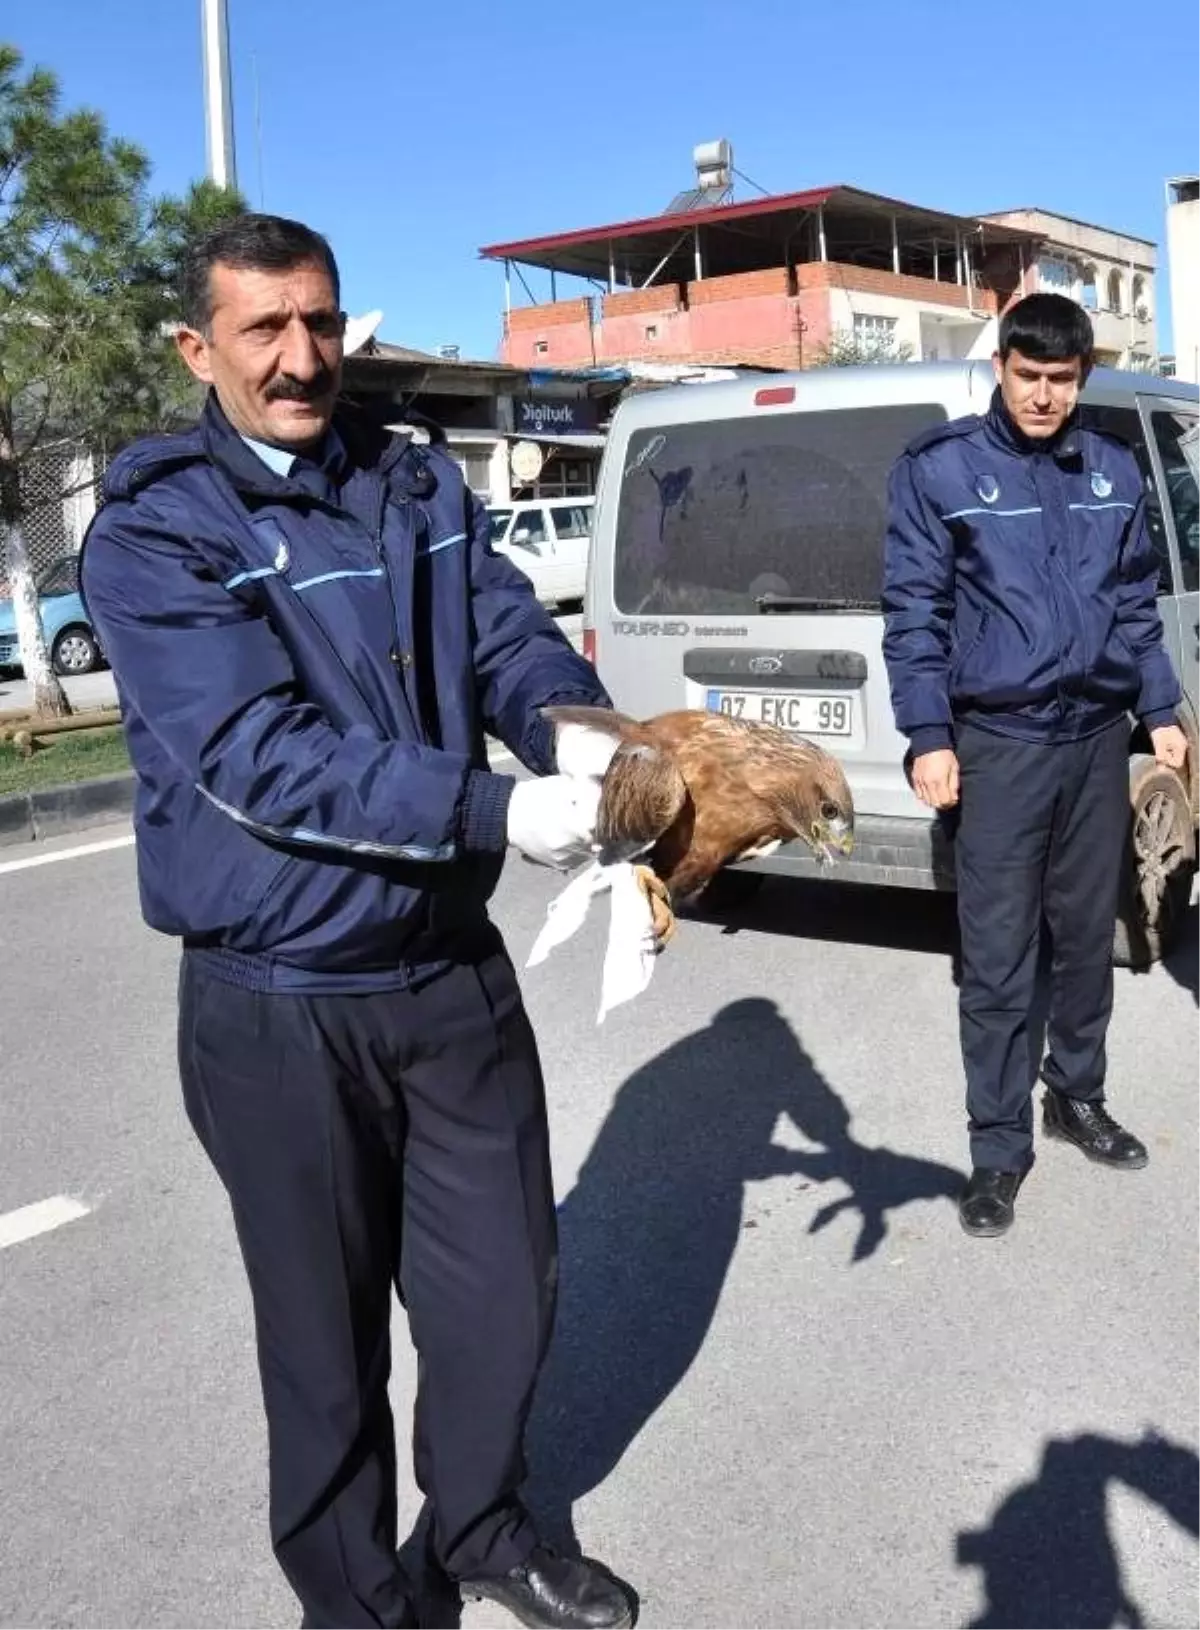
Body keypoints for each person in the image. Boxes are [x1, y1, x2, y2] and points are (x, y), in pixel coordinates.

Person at [81, 213, 634, 1630]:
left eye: (320, 323)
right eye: (263, 329)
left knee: (503, 1297)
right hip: (281, 1002)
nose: (300, 357)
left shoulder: (409, 478)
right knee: (325, 1357)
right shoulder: (155, 530)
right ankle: (360, 1605)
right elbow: (257, 753)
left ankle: (485, 1528)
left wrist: (572, 728)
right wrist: (496, 811)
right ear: (198, 347)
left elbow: (506, 629)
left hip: (448, 973)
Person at [881, 292, 1188, 1239]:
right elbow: (914, 614)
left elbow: (1134, 603)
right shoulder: (942, 472)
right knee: (1001, 958)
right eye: (1028, 376)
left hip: (1096, 740)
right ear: (1001, 368)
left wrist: (1163, 707)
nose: (1044, 396)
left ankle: (1076, 1097)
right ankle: (997, 1146)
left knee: (1090, 936)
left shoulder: (1112, 471)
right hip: (1001, 747)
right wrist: (929, 734)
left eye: (1062, 380)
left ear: (1083, 376)